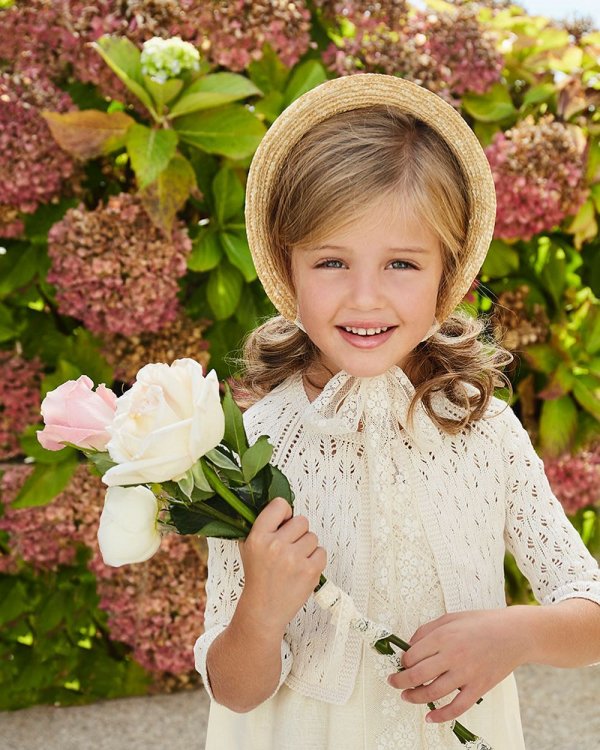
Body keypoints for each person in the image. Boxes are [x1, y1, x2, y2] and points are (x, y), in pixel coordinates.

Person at [193, 73, 600, 750]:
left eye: (401, 265)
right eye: (330, 261)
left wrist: (517, 634)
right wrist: (261, 614)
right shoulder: (253, 449)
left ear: (450, 270)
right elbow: (234, 690)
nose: (364, 298)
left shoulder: (484, 433)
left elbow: (587, 603)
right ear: (286, 265)